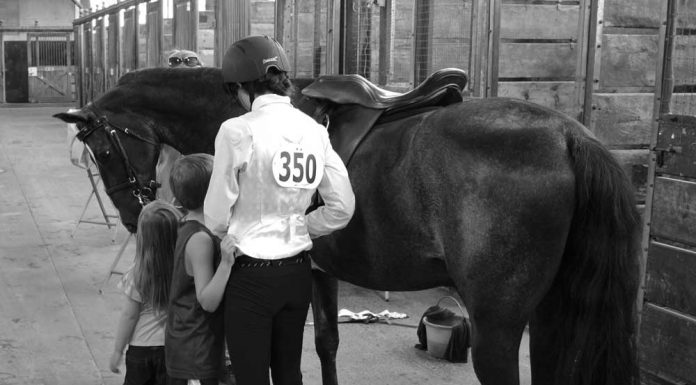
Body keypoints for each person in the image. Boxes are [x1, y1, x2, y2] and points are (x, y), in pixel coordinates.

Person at [204, 35, 356, 385]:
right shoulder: (314, 130)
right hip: (297, 274)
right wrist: (302, 226)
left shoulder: (237, 130)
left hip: (250, 275)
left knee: (251, 376)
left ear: (242, 88)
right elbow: (342, 207)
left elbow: (215, 216)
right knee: (289, 374)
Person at [165, 154, 236, 385]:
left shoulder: (193, 227)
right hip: (195, 354)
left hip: (195, 347)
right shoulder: (200, 239)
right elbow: (207, 300)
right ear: (213, 192)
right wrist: (226, 263)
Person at [109, 200, 181, 385]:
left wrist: (118, 350)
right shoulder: (183, 270)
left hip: (140, 350)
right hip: (173, 349)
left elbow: (129, 316)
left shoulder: (138, 274)